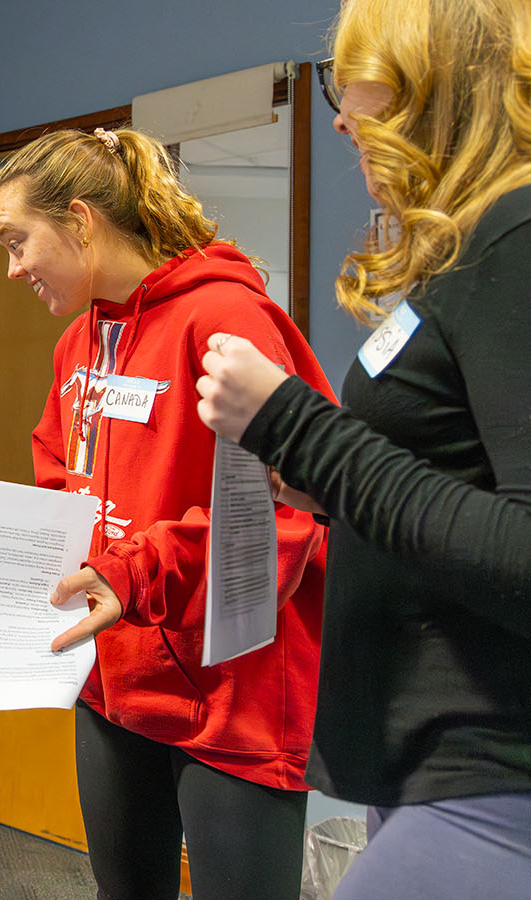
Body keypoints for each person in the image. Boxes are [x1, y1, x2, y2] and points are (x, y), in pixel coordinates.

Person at [195, 0, 531, 896]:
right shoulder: (467, 252)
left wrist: (297, 428)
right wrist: (317, 478)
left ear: (441, 82)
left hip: (497, 772)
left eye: (357, 82)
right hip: (427, 763)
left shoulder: (519, 238)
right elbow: (454, 484)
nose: (342, 116)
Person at [0, 127, 333, 900]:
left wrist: (136, 570)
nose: (11, 270)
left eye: (18, 241)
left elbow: (287, 512)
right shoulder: (79, 343)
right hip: (114, 678)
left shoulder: (226, 318)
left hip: (229, 688)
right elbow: (60, 479)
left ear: (79, 220)